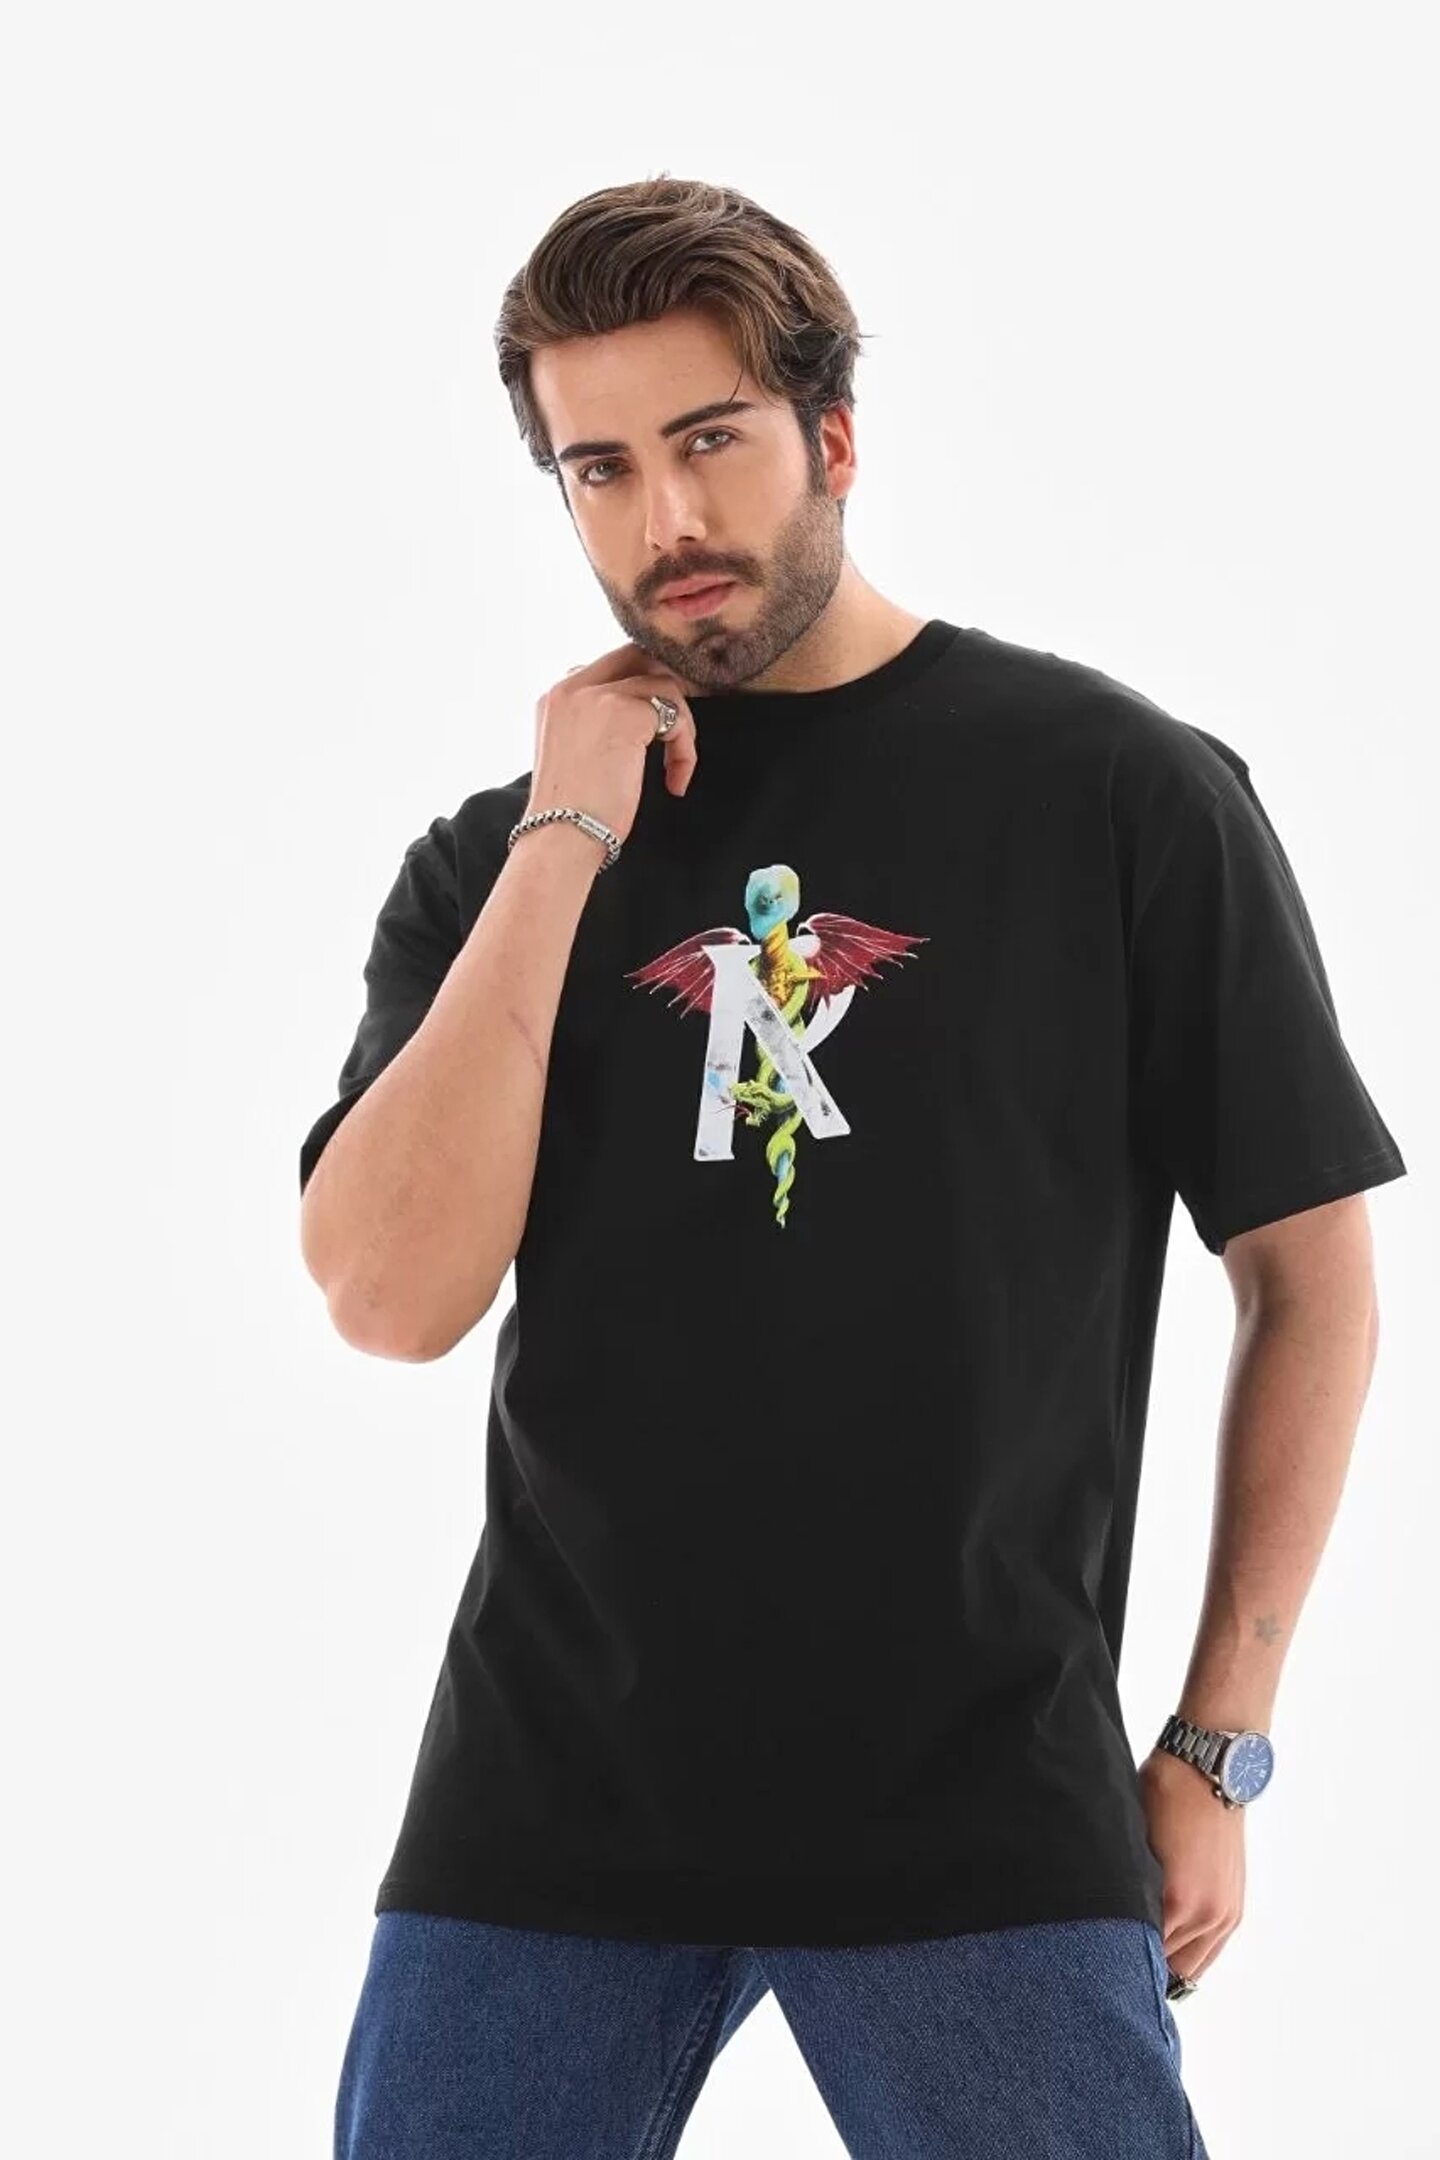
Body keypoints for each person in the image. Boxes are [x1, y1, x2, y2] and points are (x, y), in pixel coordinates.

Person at [300, 175, 1406, 2159]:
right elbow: (388, 1298)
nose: (667, 520)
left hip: (980, 1812)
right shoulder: (491, 866)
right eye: (600, 469)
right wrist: (565, 839)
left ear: (834, 436)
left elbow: (1310, 1275)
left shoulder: (1117, 795)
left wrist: (1219, 1741)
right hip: (547, 1814)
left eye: (710, 440)